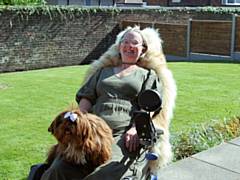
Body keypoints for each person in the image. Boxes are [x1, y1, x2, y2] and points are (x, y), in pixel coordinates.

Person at [41, 26, 177, 180]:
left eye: (135, 43)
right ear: (119, 47)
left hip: (122, 135)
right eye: (125, 42)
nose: (129, 46)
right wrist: (79, 121)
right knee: (58, 170)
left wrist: (135, 128)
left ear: (143, 50)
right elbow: (87, 98)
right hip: (92, 132)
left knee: (104, 175)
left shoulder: (148, 75)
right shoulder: (102, 72)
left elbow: (150, 105)